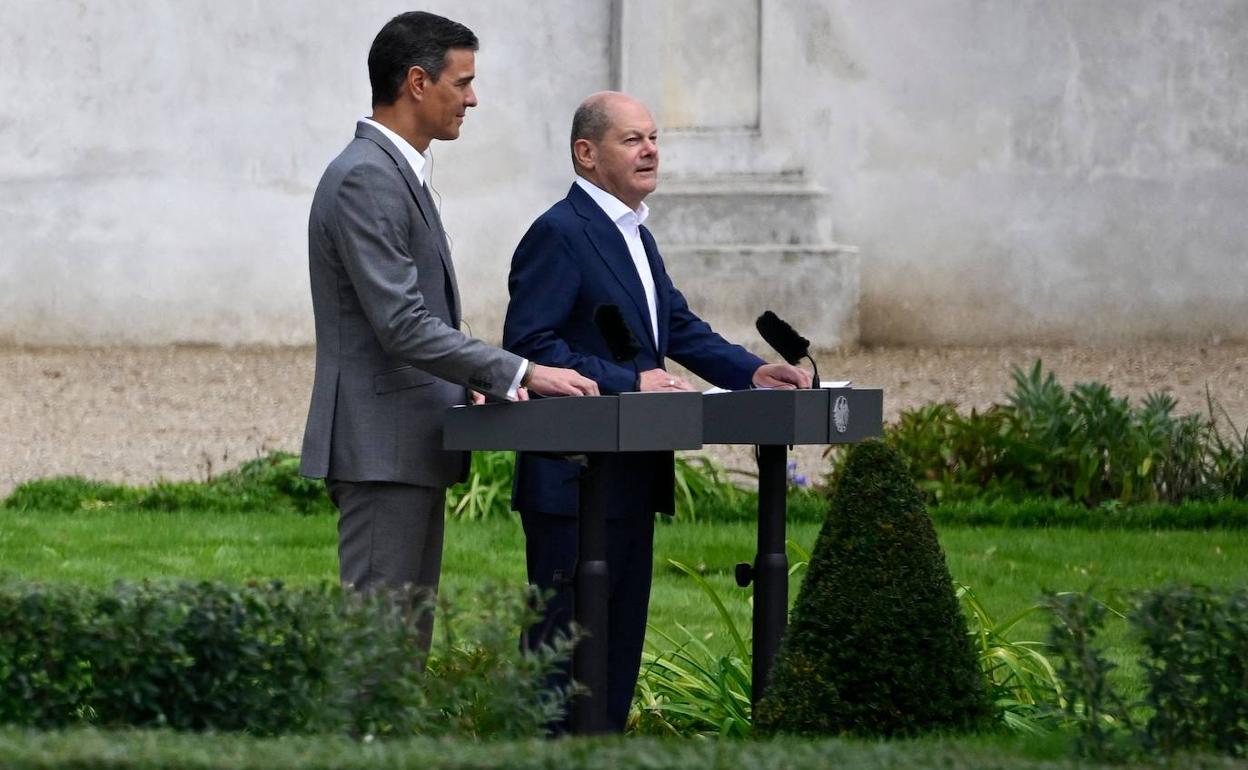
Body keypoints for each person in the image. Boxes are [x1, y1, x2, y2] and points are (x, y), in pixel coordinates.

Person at [503, 91, 812, 732]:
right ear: (586, 154)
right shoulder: (558, 233)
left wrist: (750, 372)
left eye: (653, 138)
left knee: (615, 658)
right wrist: (628, 382)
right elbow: (531, 346)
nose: (650, 151)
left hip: (633, 478)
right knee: (562, 666)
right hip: (573, 484)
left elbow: (676, 326)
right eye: (632, 139)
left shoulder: (636, 234)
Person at [298, 12, 597, 647]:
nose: (473, 98)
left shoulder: (394, 172)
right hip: (382, 451)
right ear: (416, 83)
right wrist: (519, 370)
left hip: (404, 448)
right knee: (380, 658)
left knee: (400, 653)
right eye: (462, 82)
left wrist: (471, 388)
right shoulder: (366, 177)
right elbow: (402, 324)